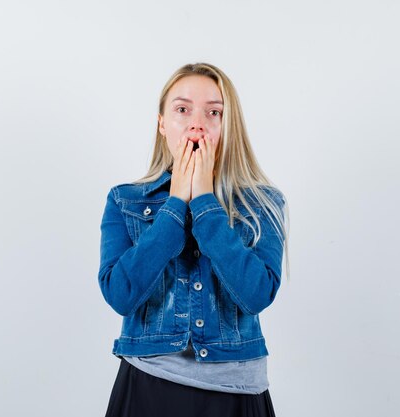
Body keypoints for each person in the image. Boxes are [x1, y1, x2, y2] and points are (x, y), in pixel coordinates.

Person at [98, 62, 290, 417]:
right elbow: (120, 295)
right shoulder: (125, 201)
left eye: (213, 112)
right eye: (182, 109)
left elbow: (256, 294)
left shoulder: (264, 204)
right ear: (161, 124)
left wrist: (204, 201)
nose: (196, 123)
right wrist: (174, 205)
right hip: (146, 385)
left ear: (228, 126)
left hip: (237, 393)